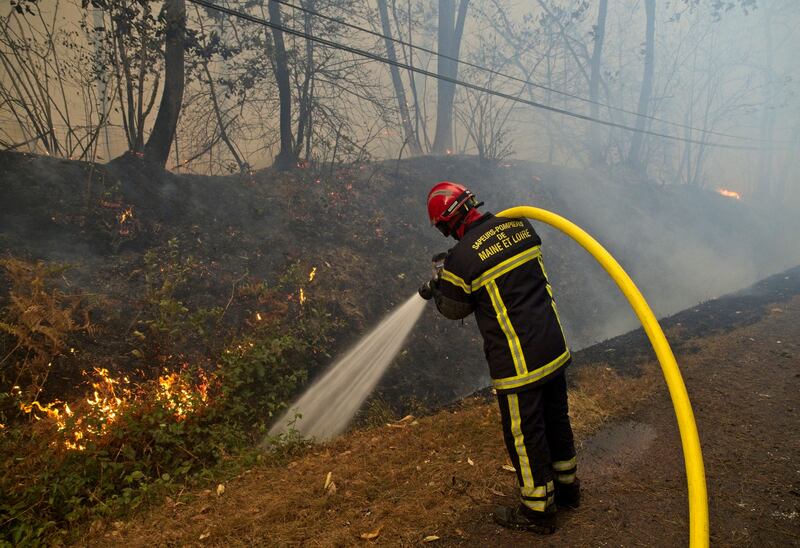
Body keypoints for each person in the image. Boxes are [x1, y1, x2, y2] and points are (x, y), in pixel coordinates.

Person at [419, 181, 580, 534]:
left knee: (525, 434)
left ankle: (538, 512)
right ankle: (568, 489)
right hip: (553, 344)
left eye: (444, 228)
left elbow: (454, 309)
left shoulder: (461, 258)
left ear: (448, 221)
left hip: (519, 360)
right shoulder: (520, 225)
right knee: (556, 419)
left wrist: (438, 287)